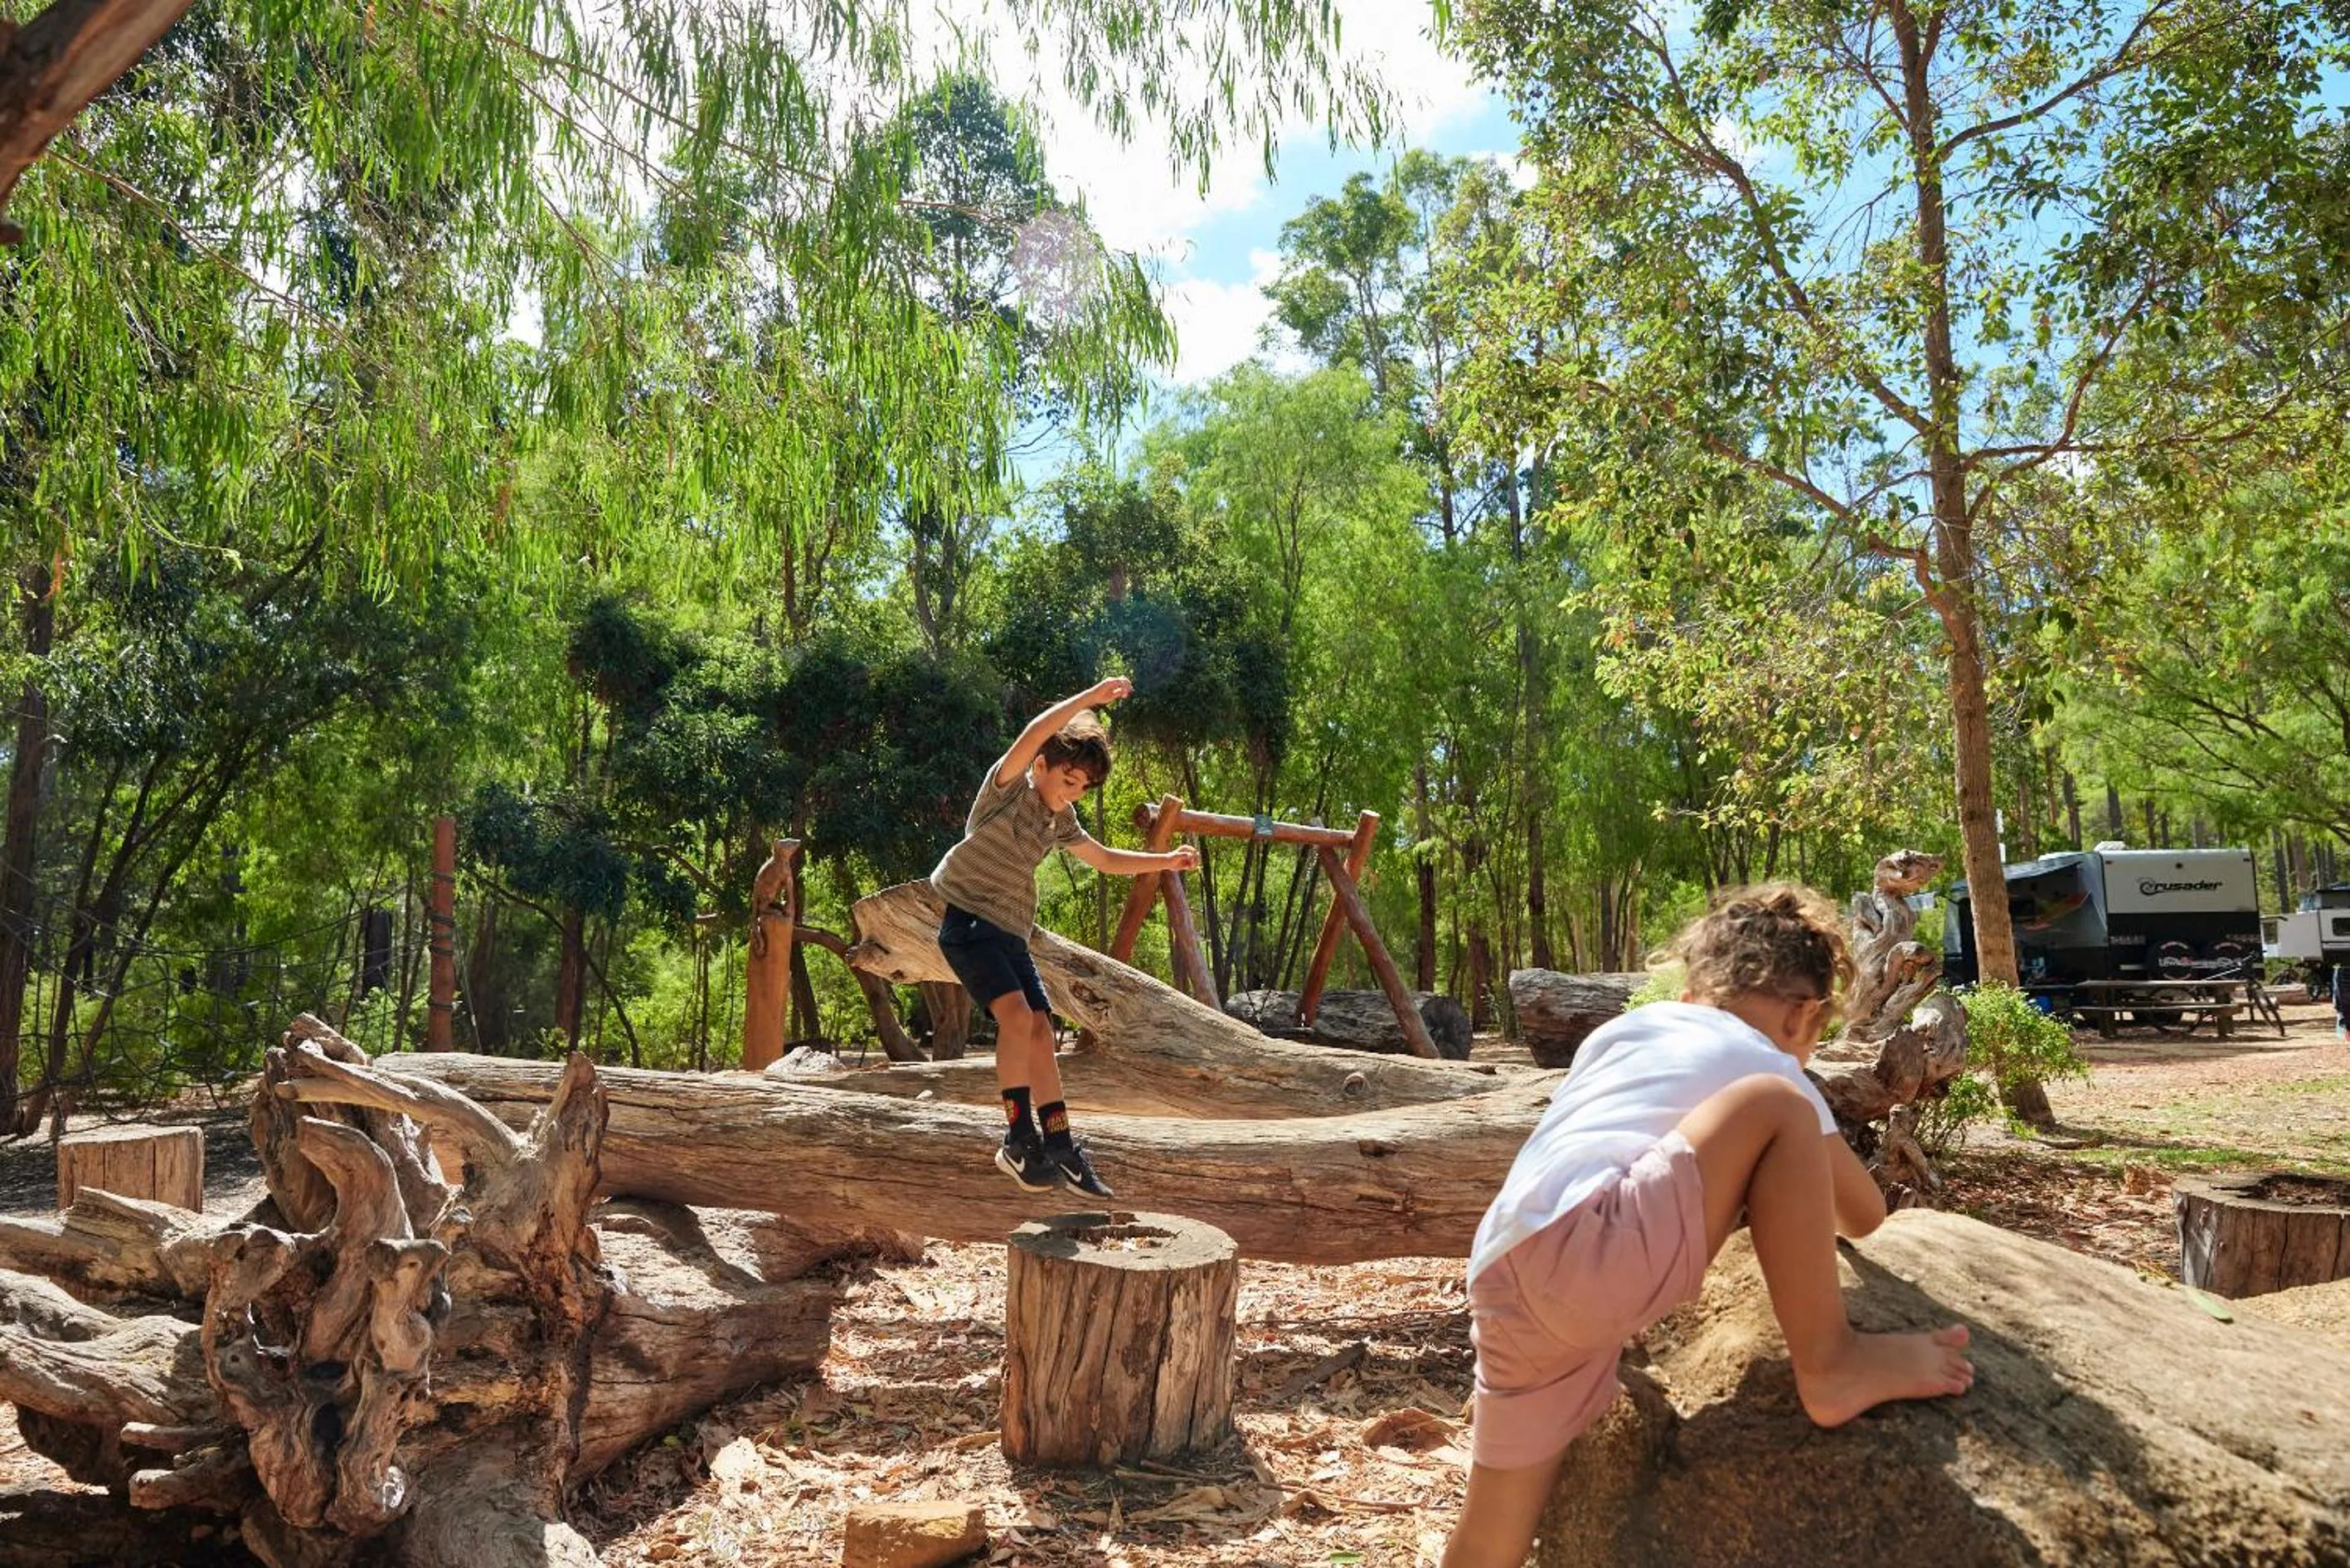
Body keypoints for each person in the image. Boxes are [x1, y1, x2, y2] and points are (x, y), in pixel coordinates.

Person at [1443, 885, 1974, 1568]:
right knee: (1779, 1104)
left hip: (1508, 1264)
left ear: (1696, 990)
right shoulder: (1769, 1062)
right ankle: (1832, 1362)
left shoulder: (1623, 1033)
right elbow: (1865, 1213)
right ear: (1803, 1015)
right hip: (1596, 1244)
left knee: (1492, 1533)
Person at [930, 677, 1199, 1197]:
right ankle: (1016, 1139)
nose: (1070, 793)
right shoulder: (1005, 788)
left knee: (1040, 1030)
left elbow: (1103, 859)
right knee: (1015, 1018)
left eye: (1080, 788)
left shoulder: (1061, 821)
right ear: (1041, 767)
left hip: (1010, 933)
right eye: (1066, 779)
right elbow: (1036, 731)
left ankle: (1060, 1145)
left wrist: (1165, 860)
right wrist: (1089, 699)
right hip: (967, 924)